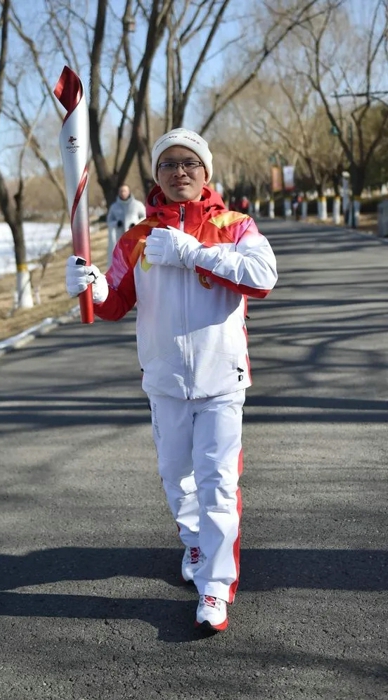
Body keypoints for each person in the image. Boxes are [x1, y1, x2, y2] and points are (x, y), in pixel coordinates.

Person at [66, 128, 278, 634]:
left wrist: (192, 252)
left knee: (219, 486)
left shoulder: (236, 225)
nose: (179, 171)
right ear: (156, 176)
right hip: (164, 381)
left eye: (189, 163)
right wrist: (89, 287)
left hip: (221, 379)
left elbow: (262, 277)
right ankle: (195, 543)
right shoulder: (135, 238)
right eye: (168, 164)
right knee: (176, 478)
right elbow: (115, 302)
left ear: (205, 172)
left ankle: (215, 585)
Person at [106, 184, 146, 266]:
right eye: (121, 191)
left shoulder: (137, 205)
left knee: (136, 258)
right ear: (118, 193)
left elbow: (145, 217)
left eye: (125, 191)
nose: (123, 193)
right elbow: (109, 220)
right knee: (123, 260)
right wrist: (116, 223)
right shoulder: (114, 207)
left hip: (135, 237)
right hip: (120, 238)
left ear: (129, 192)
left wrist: (136, 224)